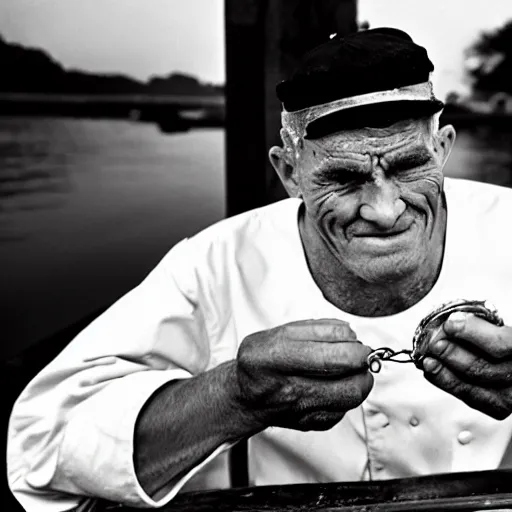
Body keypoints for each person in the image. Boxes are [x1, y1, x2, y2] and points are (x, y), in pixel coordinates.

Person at [7, 27, 512, 512]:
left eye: (407, 166)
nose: (383, 210)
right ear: (289, 172)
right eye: (343, 177)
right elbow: (39, 448)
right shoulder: (218, 262)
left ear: (442, 148)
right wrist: (232, 397)